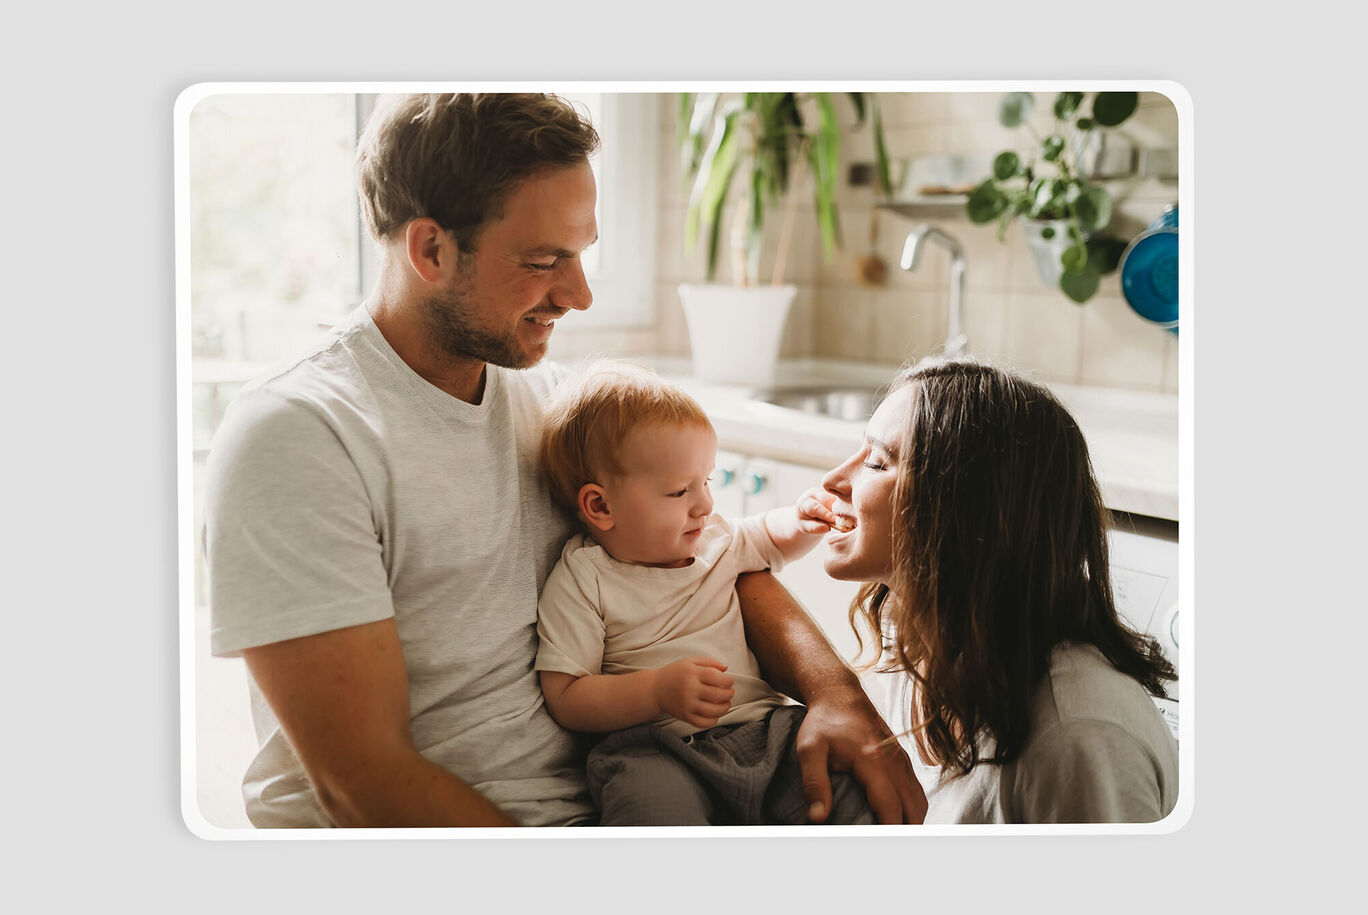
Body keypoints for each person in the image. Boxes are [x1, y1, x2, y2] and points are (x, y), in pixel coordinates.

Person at [201, 92, 925, 828]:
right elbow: (364, 783)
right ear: (429, 250)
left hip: (624, 801)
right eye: (545, 260)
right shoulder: (301, 438)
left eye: (583, 254)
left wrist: (838, 695)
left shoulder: (553, 408)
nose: (578, 294)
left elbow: (712, 557)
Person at [810, 356, 1179, 824]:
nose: (834, 481)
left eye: (878, 463)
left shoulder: (1078, 742)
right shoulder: (921, 640)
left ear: (964, 513)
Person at [534, 362, 875, 826]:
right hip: (653, 749)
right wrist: (656, 691)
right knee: (654, 812)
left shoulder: (715, 536)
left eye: (706, 481)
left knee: (843, 792)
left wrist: (801, 520)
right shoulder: (584, 578)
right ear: (600, 506)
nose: (705, 504)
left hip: (766, 732)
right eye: (679, 491)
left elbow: (769, 538)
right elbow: (567, 695)